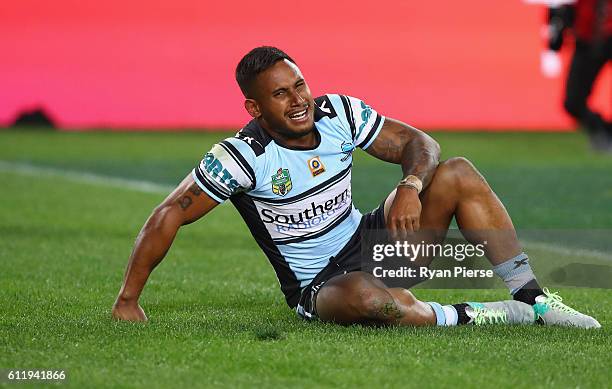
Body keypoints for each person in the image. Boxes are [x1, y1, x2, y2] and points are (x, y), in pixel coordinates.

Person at [111, 46, 600, 328]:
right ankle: (497, 314)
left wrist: (410, 184)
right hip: (321, 285)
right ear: (255, 109)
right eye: (280, 95)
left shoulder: (338, 113)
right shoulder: (242, 156)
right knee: (370, 302)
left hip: (375, 243)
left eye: (299, 84)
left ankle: (534, 298)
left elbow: (418, 142)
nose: (298, 100)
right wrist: (129, 299)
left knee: (457, 172)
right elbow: (170, 212)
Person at [544, 0, 612, 149]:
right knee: (573, 102)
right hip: (587, 37)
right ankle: (604, 131)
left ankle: (605, 134)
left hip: (601, 32)